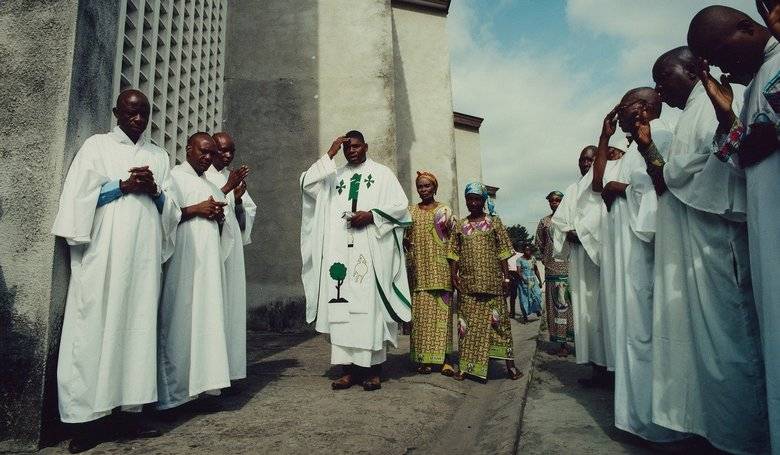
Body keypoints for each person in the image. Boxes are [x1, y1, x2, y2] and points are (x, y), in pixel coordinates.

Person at [51, 89, 178, 452]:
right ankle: (86, 422)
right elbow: (77, 197)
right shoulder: (97, 147)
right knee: (93, 329)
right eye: (131, 113)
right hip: (104, 255)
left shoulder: (158, 155)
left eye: (143, 114)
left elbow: (170, 208)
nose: (138, 120)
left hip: (142, 258)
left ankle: (130, 413)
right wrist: (123, 186)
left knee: (136, 330)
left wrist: (153, 190)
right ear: (116, 113)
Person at [687, 6, 777, 452]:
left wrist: (747, 136)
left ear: (748, 27)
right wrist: (729, 118)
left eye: (721, 53)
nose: (723, 68)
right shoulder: (757, 80)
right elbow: (746, 152)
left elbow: (760, 140)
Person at [593, 87, 683, 443]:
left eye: (625, 105)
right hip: (629, 254)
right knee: (634, 334)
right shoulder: (631, 148)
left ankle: (657, 426)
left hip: (646, 253)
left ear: (644, 107)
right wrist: (605, 140)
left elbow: (658, 190)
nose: (620, 110)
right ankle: (637, 419)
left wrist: (623, 188)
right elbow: (602, 184)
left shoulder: (661, 134)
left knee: (647, 334)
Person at [300, 131, 411, 391]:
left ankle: (372, 370)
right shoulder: (333, 176)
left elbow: (401, 208)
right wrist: (329, 154)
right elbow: (306, 184)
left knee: (369, 311)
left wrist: (372, 215)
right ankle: (347, 370)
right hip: (340, 252)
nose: (351, 151)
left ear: (366, 147)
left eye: (356, 146)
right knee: (342, 310)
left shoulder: (383, 174)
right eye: (347, 147)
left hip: (370, 253)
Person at [157, 133, 234, 411]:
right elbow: (164, 216)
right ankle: (172, 398)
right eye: (204, 152)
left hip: (208, 268)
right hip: (183, 263)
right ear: (188, 149)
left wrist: (219, 217)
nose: (208, 158)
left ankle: (202, 390)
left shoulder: (210, 184)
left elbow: (225, 230)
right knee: (179, 321)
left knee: (205, 323)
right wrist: (196, 209)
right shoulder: (175, 178)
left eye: (212, 154)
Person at [448, 182, 521, 382]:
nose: (473, 202)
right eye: (469, 199)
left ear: (483, 201)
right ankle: (465, 367)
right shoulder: (460, 225)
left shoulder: (495, 222)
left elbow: (503, 252)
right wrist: (454, 275)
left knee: (501, 325)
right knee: (467, 326)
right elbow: (453, 253)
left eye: (477, 199)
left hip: (493, 283)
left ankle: (510, 366)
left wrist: (506, 276)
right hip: (468, 285)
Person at [551, 145, 609, 387]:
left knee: (605, 311)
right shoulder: (572, 190)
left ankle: (613, 368)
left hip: (603, 259)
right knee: (586, 314)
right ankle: (597, 368)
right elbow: (560, 221)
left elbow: (607, 218)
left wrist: (583, 232)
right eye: (582, 160)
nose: (585, 164)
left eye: (590, 159)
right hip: (581, 261)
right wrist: (569, 232)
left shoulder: (604, 184)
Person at [205, 132, 257, 385]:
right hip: (210, 250)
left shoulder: (230, 177)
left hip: (232, 248)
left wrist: (237, 201)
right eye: (222, 150)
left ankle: (230, 372)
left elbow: (246, 211)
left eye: (231, 151)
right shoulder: (202, 174)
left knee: (232, 308)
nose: (227, 156)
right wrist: (228, 191)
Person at [405, 171, 456, 376]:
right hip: (419, 272)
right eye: (420, 186)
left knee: (443, 318)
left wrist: (454, 270)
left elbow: (454, 240)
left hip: (441, 270)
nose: (424, 190)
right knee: (421, 319)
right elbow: (403, 237)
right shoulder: (410, 211)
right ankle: (424, 360)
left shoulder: (445, 210)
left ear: (434, 187)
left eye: (427, 186)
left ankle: (445, 360)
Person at [534, 191, 572, 357]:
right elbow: (539, 242)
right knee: (555, 306)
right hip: (551, 269)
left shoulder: (570, 219)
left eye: (558, 200)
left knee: (569, 306)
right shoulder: (545, 222)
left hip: (569, 268)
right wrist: (544, 258)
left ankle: (573, 340)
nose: (555, 203)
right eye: (552, 201)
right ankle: (559, 341)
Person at [515, 244, 542, 322]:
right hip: (524, 282)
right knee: (525, 299)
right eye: (526, 250)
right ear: (523, 251)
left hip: (533, 281)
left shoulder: (533, 258)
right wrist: (524, 279)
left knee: (537, 295)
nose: (528, 252)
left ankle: (537, 310)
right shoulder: (519, 260)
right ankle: (525, 316)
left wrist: (540, 281)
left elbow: (536, 270)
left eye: (529, 250)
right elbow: (519, 271)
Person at [506, 248, 523, 320]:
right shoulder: (506, 255)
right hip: (510, 275)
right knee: (513, 295)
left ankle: (528, 311)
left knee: (524, 294)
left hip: (520, 274)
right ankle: (512, 313)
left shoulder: (521, 255)